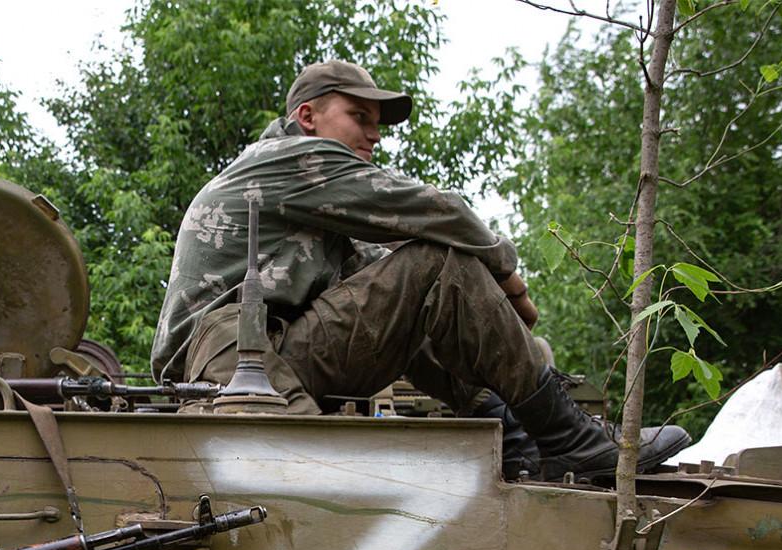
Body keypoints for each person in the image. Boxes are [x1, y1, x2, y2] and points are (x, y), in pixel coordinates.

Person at [151, 60, 689, 482]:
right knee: (435, 264)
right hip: (224, 356)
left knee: (431, 286)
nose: (374, 134)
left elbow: (405, 300)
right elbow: (442, 212)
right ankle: (572, 439)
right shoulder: (291, 159)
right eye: (358, 117)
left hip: (272, 348)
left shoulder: (316, 220)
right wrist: (507, 277)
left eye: (377, 124)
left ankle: (527, 440)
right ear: (308, 117)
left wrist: (496, 346)